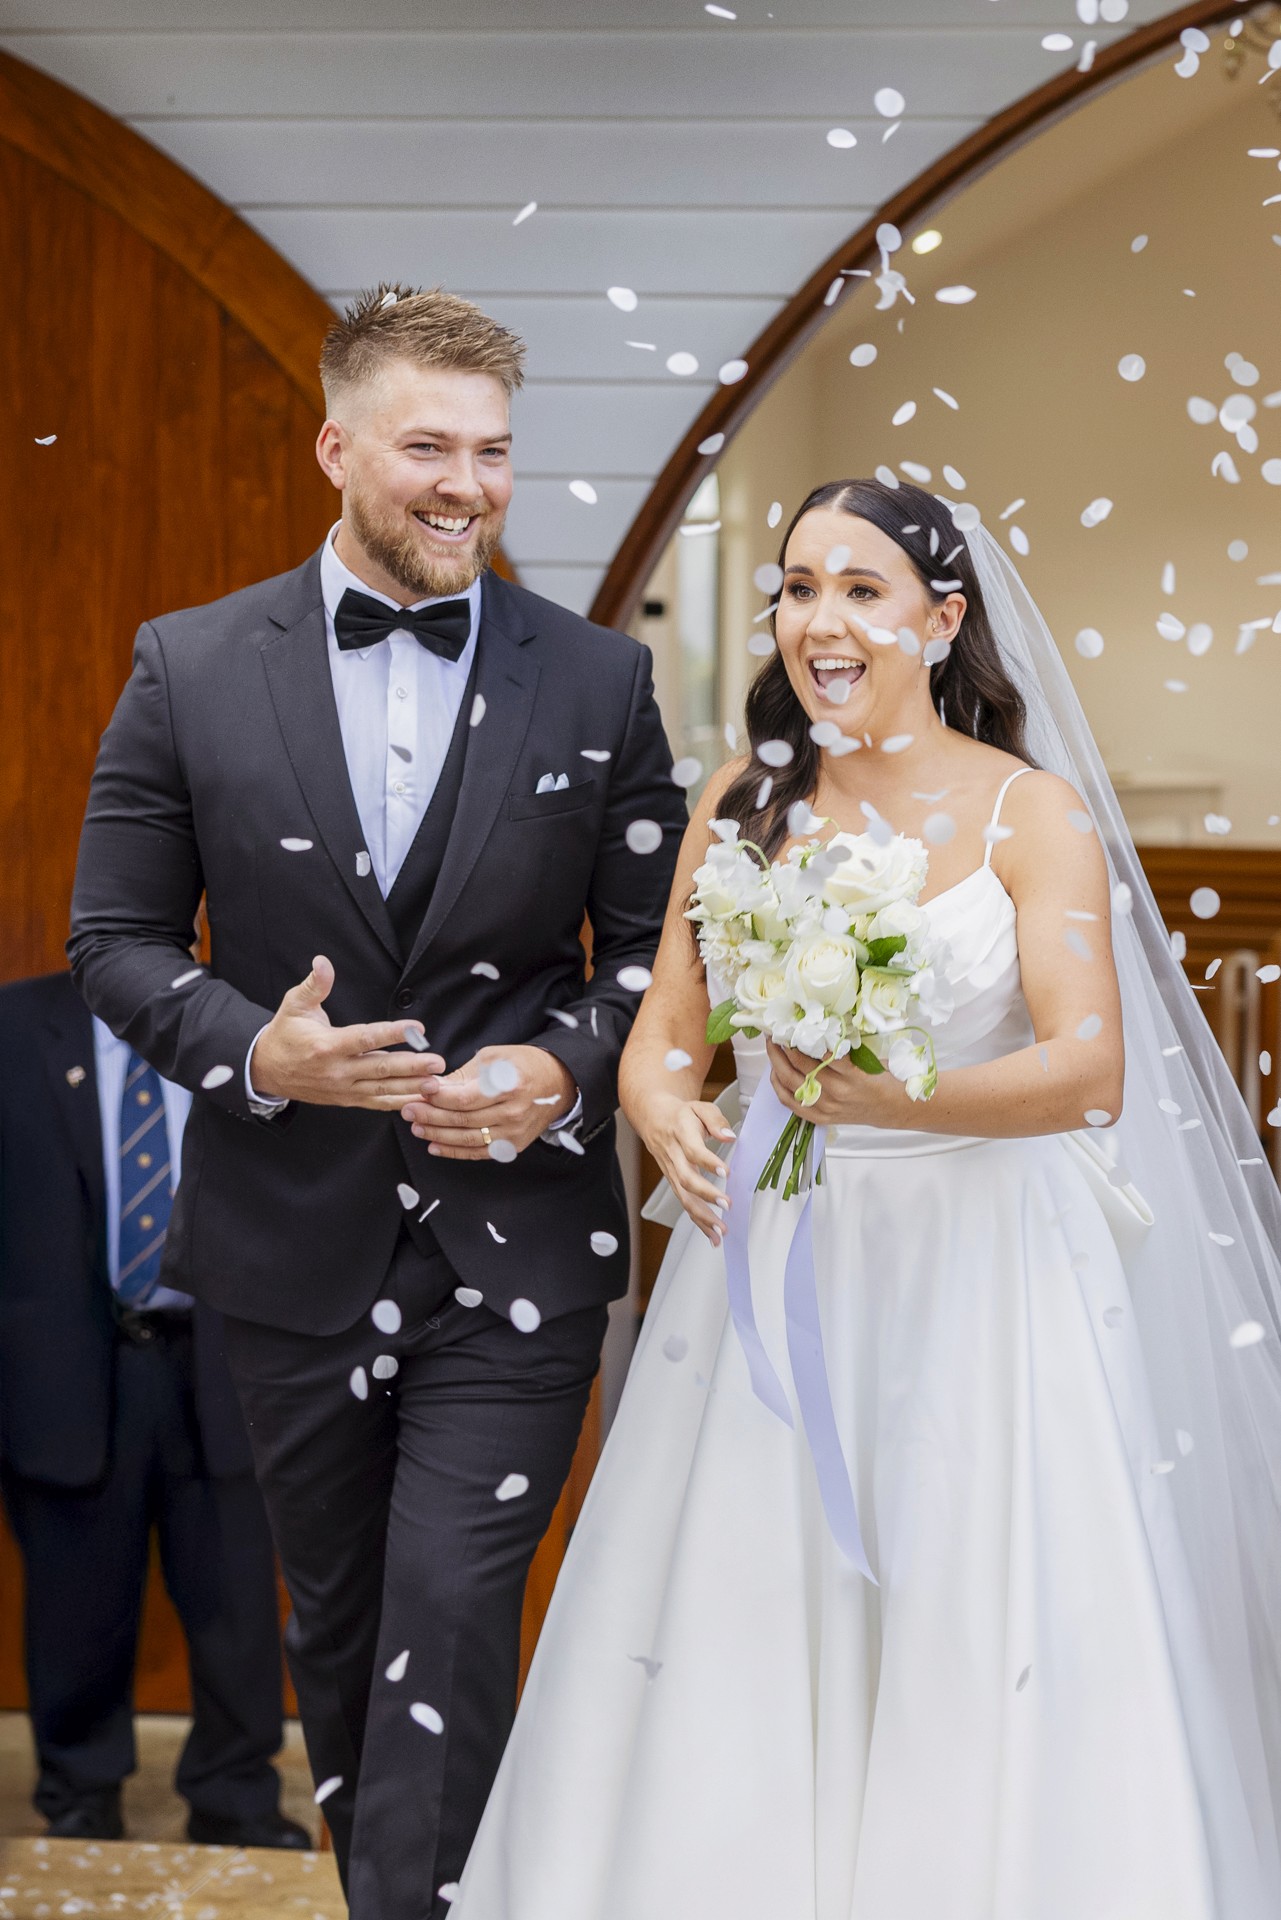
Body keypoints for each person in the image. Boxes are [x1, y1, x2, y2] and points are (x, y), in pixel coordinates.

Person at [450, 478, 1281, 1919]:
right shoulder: (745, 799)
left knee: (968, 1589)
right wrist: (664, 1110)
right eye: (796, 588)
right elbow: (666, 1033)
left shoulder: (1030, 812)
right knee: (747, 1597)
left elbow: (1089, 1072)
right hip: (775, 1256)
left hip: (981, 1265)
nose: (817, 620)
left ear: (942, 620)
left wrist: (896, 1101)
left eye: (859, 589)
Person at [68, 284, 685, 1916]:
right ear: (337, 446)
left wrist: (557, 1071)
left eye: (493, 451)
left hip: (521, 1248)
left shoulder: (600, 682)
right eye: (429, 448)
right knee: (341, 1635)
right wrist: (256, 1055)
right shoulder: (190, 665)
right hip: (288, 1247)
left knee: (454, 1613)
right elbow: (114, 940)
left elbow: (655, 960)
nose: (467, 485)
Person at [0, 969, 307, 1849]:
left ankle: (236, 1797)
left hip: (225, 1355)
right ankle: (79, 1794)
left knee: (235, 1594)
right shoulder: (15, 1026)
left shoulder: (251, 1022)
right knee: (75, 1594)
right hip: (65, 1363)